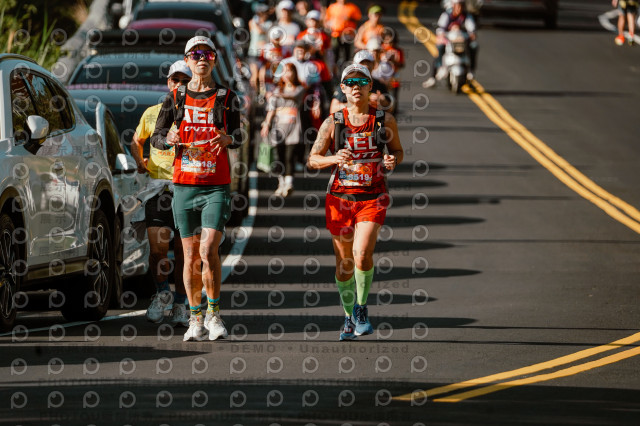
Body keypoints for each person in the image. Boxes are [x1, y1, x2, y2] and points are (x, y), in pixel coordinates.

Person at [151, 36, 243, 341]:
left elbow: (240, 134)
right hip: (184, 186)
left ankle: (214, 314)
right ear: (188, 60)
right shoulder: (175, 97)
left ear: (214, 60)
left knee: (208, 249)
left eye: (207, 54)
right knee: (189, 256)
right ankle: (195, 318)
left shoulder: (226, 97)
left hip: (216, 185)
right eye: (195, 54)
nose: (201, 58)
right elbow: (157, 136)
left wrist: (228, 139)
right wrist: (169, 139)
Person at [307, 63, 404, 340]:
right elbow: (313, 159)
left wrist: (392, 160)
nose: (356, 87)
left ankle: (361, 308)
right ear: (343, 88)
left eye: (361, 82)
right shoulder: (333, 122)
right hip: (340, 198)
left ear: (370, 86)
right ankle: (348, 316)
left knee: (362, 254)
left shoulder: (384, 120)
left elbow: (397, 151)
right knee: (344, 264)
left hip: (373, 196)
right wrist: (333, 158)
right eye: (350, 83)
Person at [131, 60, 192, 327]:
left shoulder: (197, 113)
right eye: (175, 80)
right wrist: (140, 162)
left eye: (185, 81)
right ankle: (162, 293)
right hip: (158, 188)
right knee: (157, 250)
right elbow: (137, 140)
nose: (180, 85)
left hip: (187, 188)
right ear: (168, 83)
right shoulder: (153, 113)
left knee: (182, 252)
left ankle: (180, 303)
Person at [260, 62, 305, 197]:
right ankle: (281, 183)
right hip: (278, 128)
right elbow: (271, 110)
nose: (288, 74)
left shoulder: (299, 89)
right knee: (278, 157)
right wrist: (266, 124)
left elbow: (295, 96)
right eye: (285, 71)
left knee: (289, 156)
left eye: (290, 71)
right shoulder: (276, 91)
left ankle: (289, 183)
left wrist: (274, 95)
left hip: (293, 127)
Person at [422, 0, 478, 88]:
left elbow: (472, 30)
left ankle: (471, 70)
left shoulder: (467, 16)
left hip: (463, 41)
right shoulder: (447, 15)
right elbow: (440, 29)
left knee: (474, 46)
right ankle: (437, 72)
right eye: (457, 5)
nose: (459, 8)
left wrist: (471, 35)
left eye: (461, 5)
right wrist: (443, 35)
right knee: (440, 47)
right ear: (453, 5)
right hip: (448, 41)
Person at [330, 49, 390, 113]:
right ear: (354, 65)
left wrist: (383, 101)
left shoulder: (379, 84)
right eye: (362, 63)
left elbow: (390, 109)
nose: (366, 66)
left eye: (368, 62)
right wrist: (356, 104)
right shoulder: (347, 83)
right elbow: (333, 109)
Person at [324, 0, 362, 68]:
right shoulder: (332, 7)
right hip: (335, 34)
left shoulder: (352, 7)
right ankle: (335, 70)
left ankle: (346, 68)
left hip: (348, 34)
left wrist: (349, 19)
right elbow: (326, 20)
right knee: (335, 53)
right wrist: (329, 26)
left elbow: (358, 19)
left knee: (347, 54)